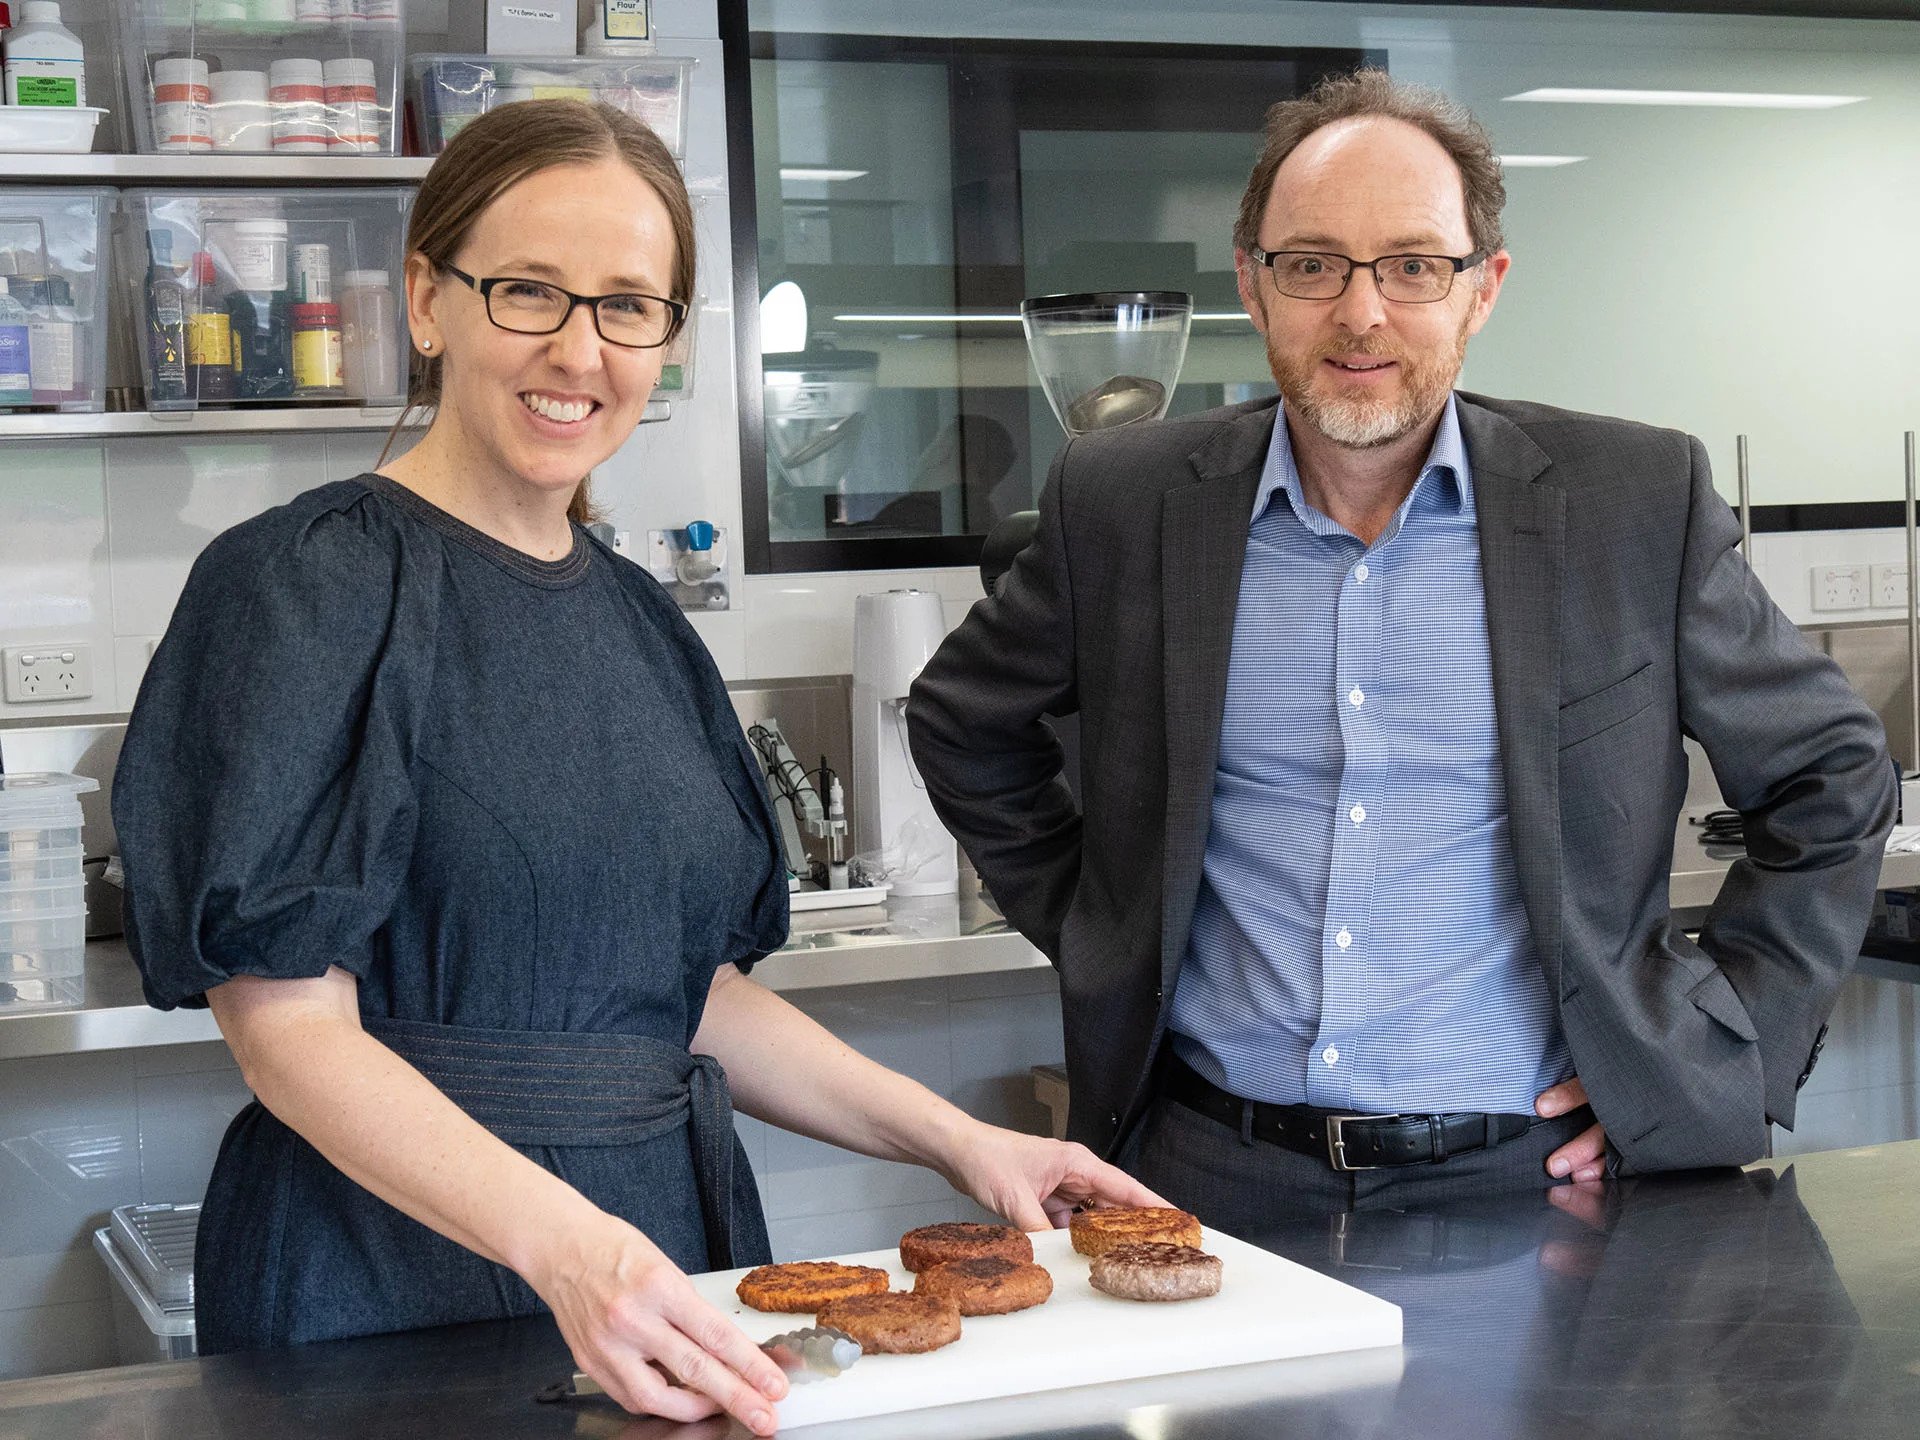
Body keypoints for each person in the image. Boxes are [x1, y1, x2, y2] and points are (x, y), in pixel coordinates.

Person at [114, 100, 1158, 1436]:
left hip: (660, 1262)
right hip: (382, 1281)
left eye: (628, 307)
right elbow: (289, 1035)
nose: (579, 349)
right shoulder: (301, 587)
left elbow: (687, 999)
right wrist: (570, 1250)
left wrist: (966, 1143)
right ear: (428, 299)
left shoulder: (640, 617)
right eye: (530, 292)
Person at [906, 70, 1894, 1232]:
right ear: (1253, 286)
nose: (1361, 314)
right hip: (1203, 1174)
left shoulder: (1632, 502)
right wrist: (1104, 921)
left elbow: (1835, 777)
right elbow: (964, 720)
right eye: (1313, 264)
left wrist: (1711, 1044)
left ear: (1482, 292)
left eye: (1414, 266)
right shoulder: (1124, 504)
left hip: (1541, 1183)